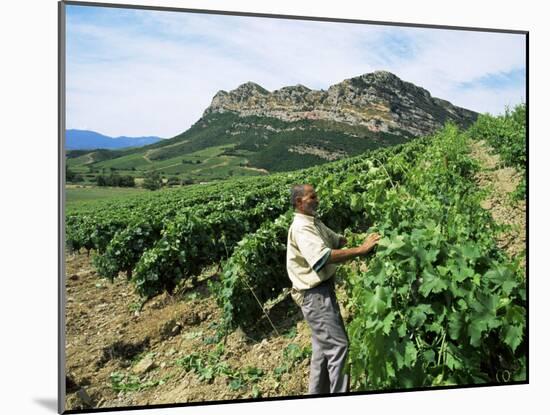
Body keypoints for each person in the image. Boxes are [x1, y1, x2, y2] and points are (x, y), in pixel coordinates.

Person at [286, 183, 380, 395]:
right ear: (299, 202)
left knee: (322, 349)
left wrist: (363, 239)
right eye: (312, 197)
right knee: (339, 348)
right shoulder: (302, 228)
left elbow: (338, 241)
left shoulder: (313, 221)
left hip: (321, 291)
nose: (317, 199)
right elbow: (322, 258)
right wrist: (361, 250)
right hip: (314, 295)